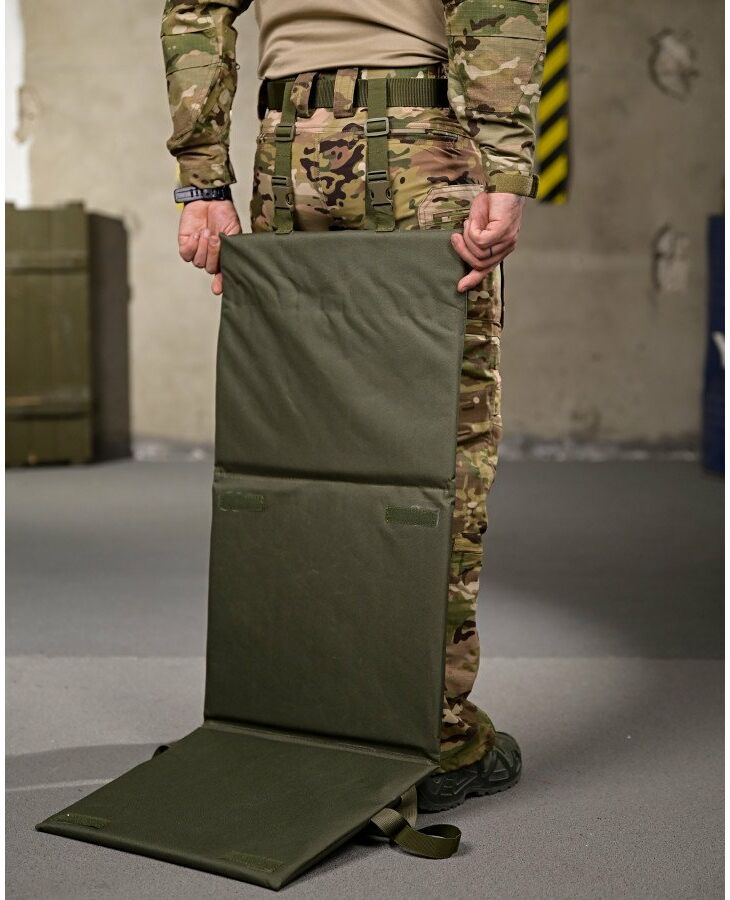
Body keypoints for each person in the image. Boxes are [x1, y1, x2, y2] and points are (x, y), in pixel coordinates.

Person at [161, 0, 547, 812]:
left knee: (293, 436)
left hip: (282, 150)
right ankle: (434, 737)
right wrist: (508, 165)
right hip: (420, 144)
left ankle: (293, 715)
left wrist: (203, 177)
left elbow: (195, 7)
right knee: (438, 438)